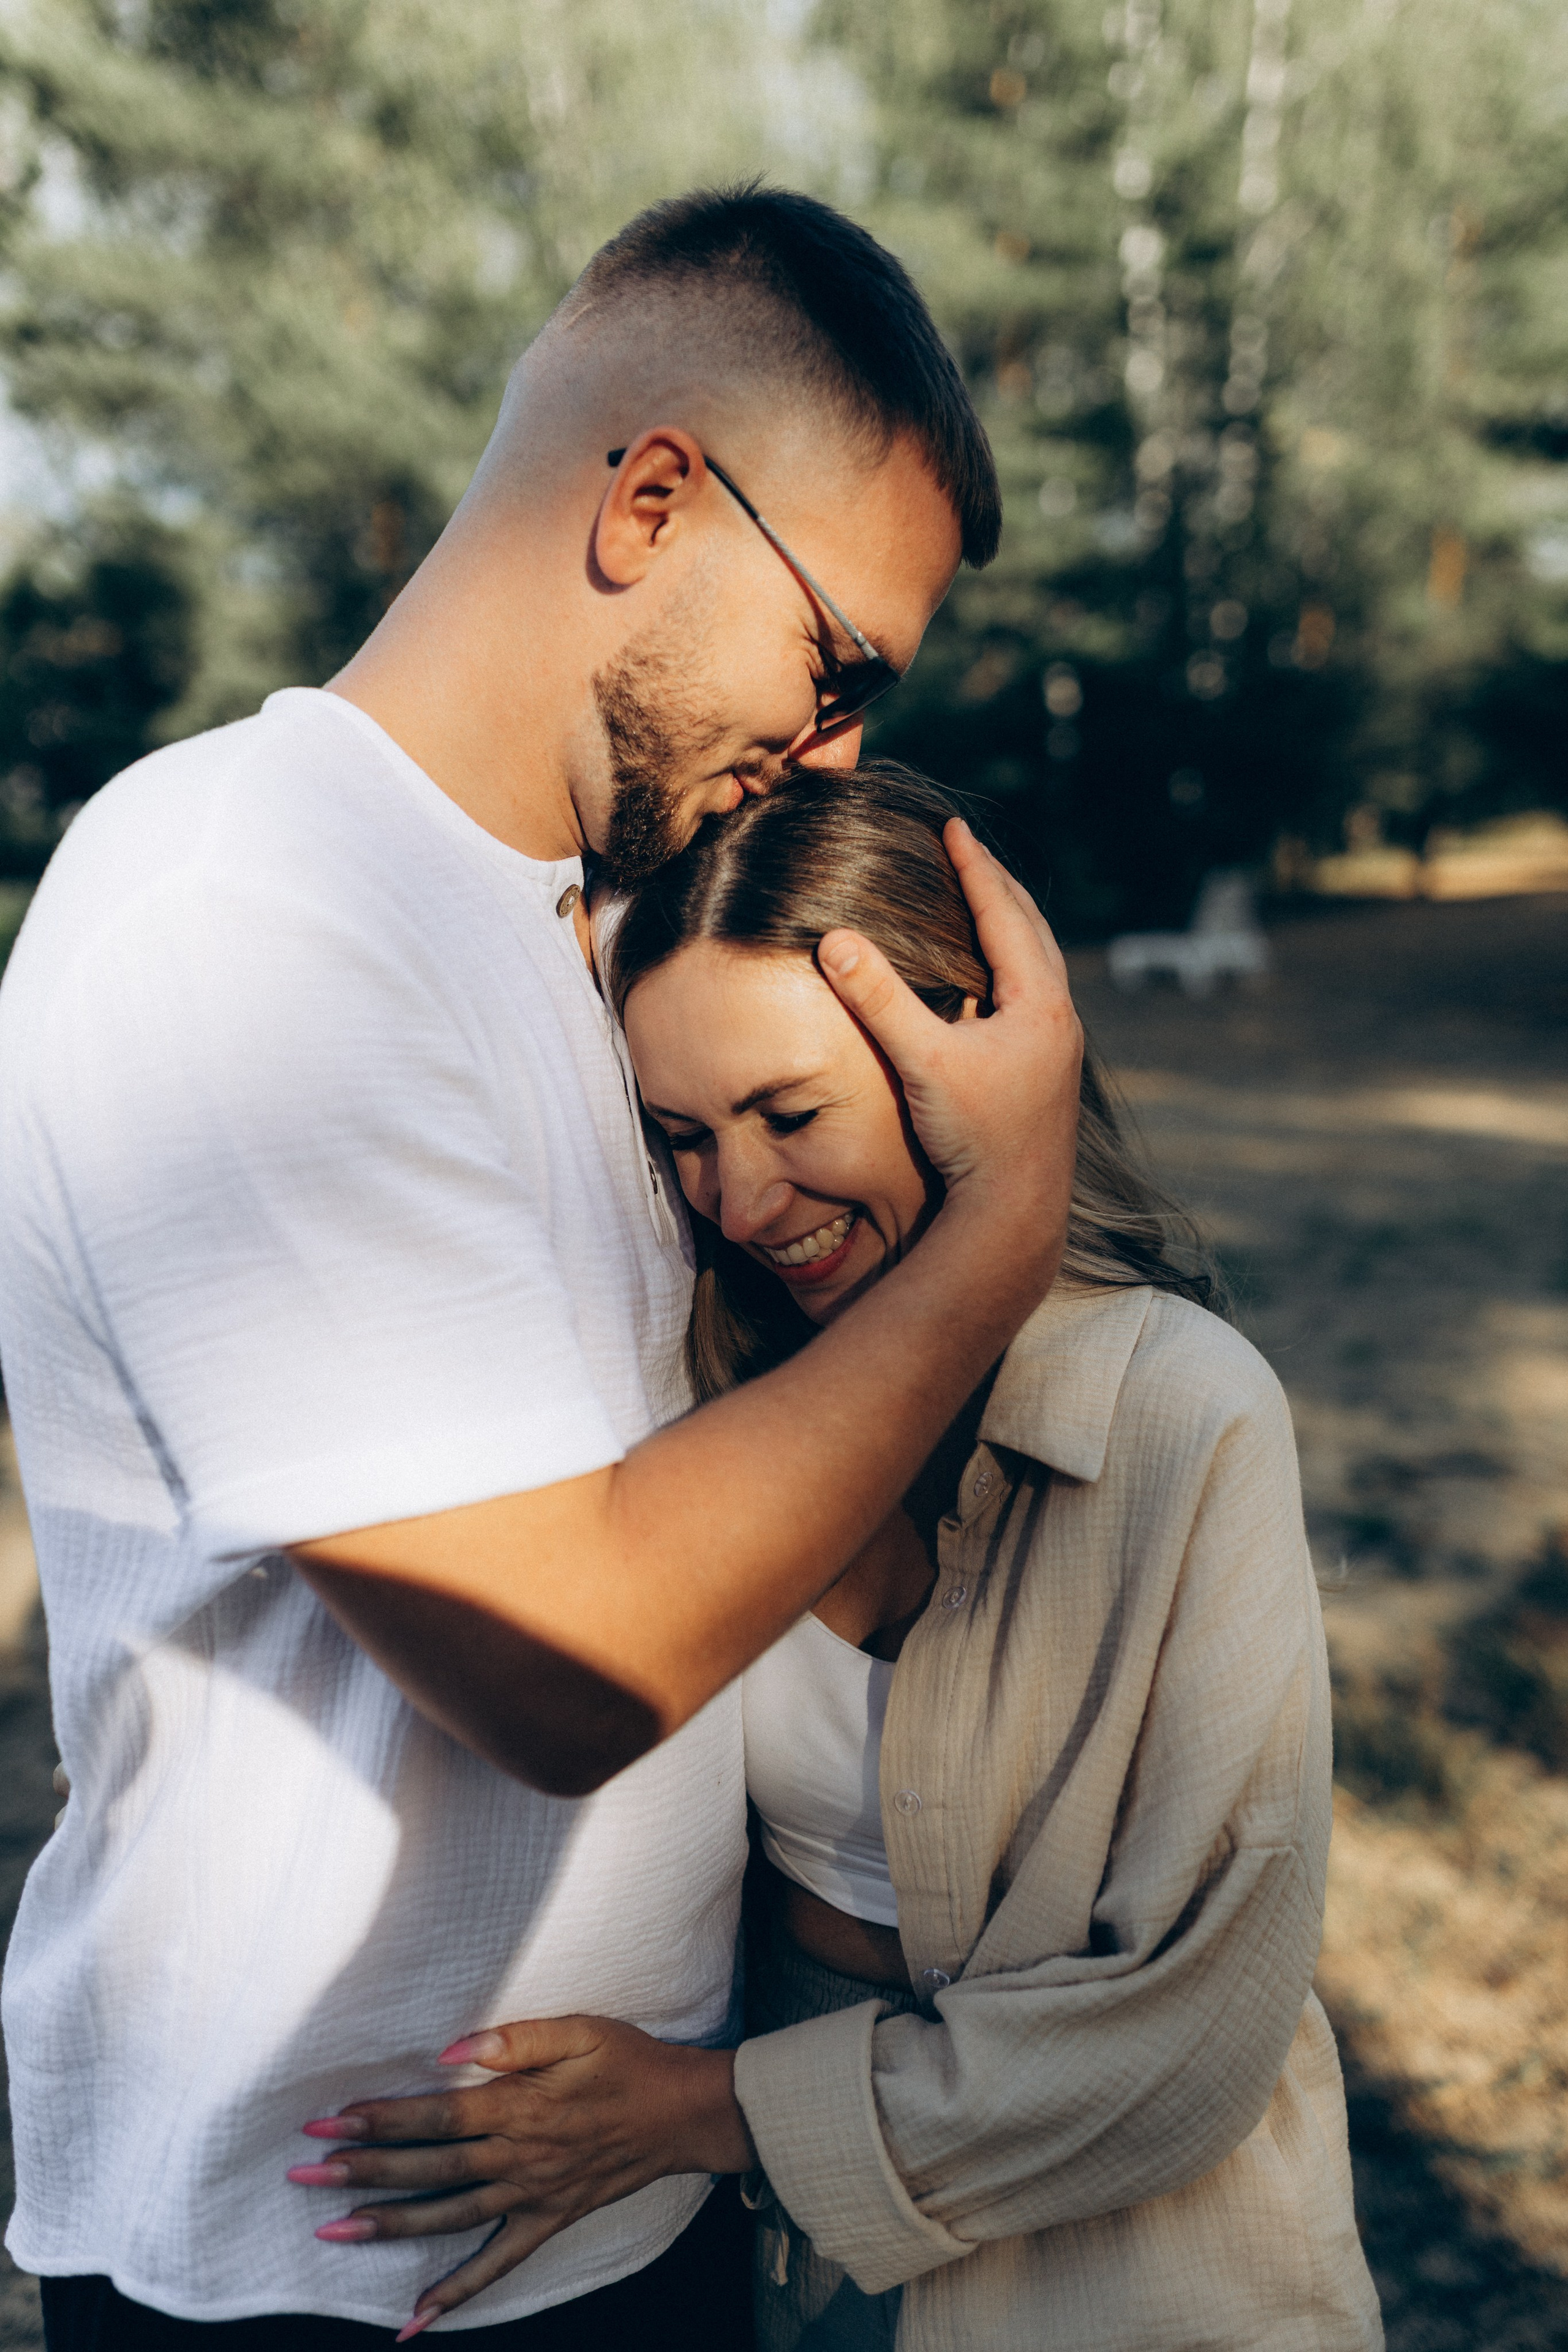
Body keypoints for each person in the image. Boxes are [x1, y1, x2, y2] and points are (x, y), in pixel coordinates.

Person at [0, 190, 1085, 2348]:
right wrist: (1001, 1231)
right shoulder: (240, 908)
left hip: (618, 2202)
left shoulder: (583, 936)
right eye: (839, 667)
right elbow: (566, 1658)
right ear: (652, 500)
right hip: (314, 2272)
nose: (839, 754)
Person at [296, 768, 1384, 2352]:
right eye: (681, 1136)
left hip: (1146, 2276)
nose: (742, 1201)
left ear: (974, 1063)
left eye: (793, 1115)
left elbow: (1196, 2025)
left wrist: (697, 2112)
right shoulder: (697, 1404)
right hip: (802, 2274)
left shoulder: (1180, 1412)